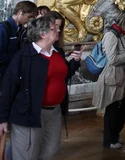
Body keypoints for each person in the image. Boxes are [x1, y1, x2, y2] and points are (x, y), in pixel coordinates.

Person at [0, 15, 82, 160]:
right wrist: (3, 118)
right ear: (42, 34)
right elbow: (9, 87)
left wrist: (74, 62)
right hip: (30, 112)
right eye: (53, 28)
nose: (58, 30)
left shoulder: (57, 52)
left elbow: (62, 75)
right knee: (27, 154)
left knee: (51, 149)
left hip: (54, 111)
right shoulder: (24, 56)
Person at [93, 10, 125, 149]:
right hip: (112, 76)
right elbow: (112, 59)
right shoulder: (111, 35)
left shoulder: (121, 35)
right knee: (111, 109)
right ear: (123, 21)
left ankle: (115, 134)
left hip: (122, 76)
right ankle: (109, 140)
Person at [0, 1, 37, 85]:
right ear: (20, 12)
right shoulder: (3, 28)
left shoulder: (22, 31)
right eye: (29, 16)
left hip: (12, 74)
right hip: (3, 74)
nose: (28, 21)